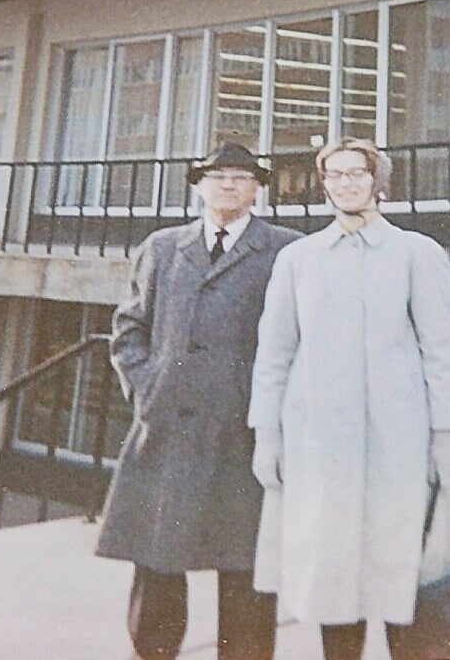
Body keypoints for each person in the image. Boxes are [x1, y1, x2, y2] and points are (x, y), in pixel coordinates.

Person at [248, 137, 450, 660]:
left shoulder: (417, 252)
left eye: (358, 173)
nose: (346, 184)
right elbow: (274, 352)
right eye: (335, 175)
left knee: (399, 571)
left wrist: (447, 436)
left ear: (379, 182)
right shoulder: (298, 259)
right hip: (320, 442)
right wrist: (267, 435)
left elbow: (442, 350)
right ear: (323, 185)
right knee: (334, 576)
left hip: (398, 439)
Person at [96, 142, 301, 660]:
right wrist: (150, 385)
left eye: (240, 176)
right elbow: (128, 327)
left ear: (257, 187)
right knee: (159, 558)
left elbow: (307, 337)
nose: (228, 184)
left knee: (246, 569)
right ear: (199, 184)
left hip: (244, 432)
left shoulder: (286, 250)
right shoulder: (163, 247)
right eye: (217, 176)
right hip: (169, 429)